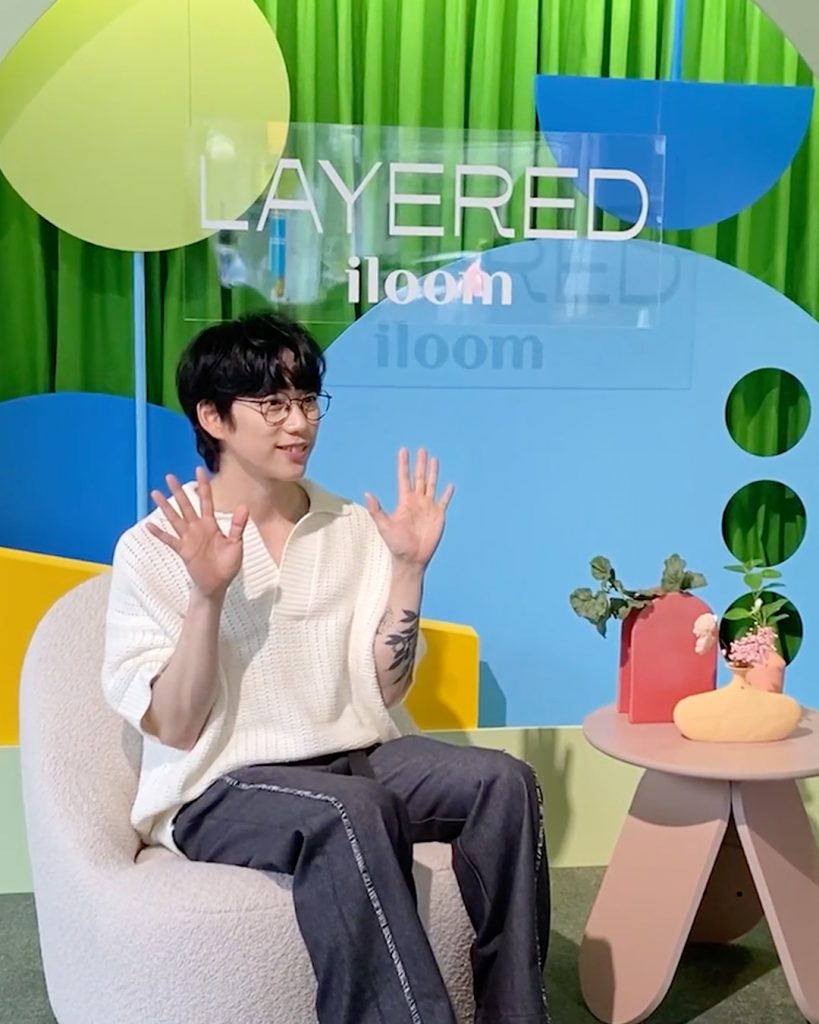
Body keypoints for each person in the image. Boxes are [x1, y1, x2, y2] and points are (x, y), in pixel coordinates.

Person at [101, 311, 550, 1024]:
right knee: (352, 811)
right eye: (272, 403)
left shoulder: (352, 527)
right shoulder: (155, 546)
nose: (299, 423)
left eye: (308, 399)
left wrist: (408, 571)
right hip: (219, 785)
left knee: (504, 782)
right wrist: (206, 596)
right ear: (213, 416)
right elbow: (177, 727)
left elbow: (385, 690)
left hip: (353, 755)